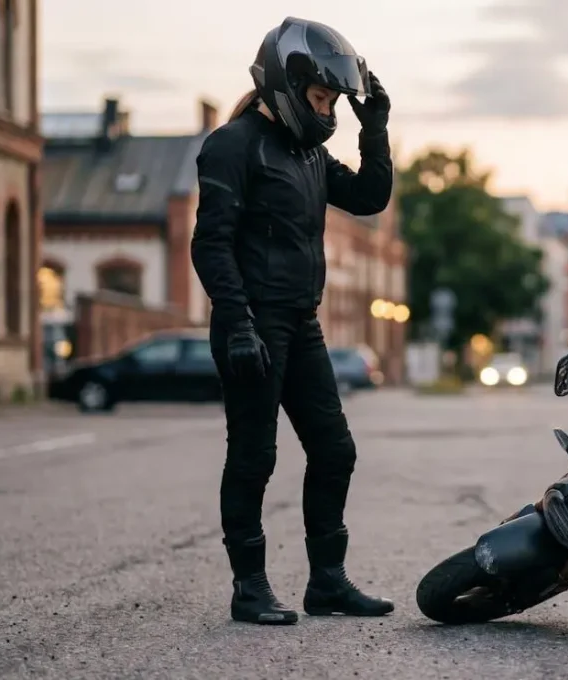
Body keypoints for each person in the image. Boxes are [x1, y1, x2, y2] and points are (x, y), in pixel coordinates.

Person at [190, 17, 394, 625]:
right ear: (286, 83)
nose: (327, 110)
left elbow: (369, 198)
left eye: (333, 100)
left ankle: (327, 584)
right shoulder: (233, 144)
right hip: (250, 323)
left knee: (335, 450)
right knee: (254, 456)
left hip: (301, 322)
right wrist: (236, 320)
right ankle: (249, 587)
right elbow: (210, 243)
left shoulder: (308, 154)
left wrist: (375, 128)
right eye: (321, 98)